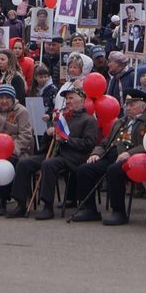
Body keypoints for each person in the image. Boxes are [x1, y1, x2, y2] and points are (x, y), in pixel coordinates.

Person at [70, 87, 146, 225]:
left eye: (132, 104)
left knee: (114, 170)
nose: (128, 108)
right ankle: (89, 209)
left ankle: (118, 212)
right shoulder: (120, 122)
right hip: (111, 155)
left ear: (143, 106)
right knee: (84, 169)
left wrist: (129, 153)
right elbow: (105, 142)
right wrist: (96, 153)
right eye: (127, 104)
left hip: (134, 160)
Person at [22, 87, 99, 219]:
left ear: (81, 101)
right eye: (66, 98)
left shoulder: (88, 120)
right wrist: (48, 134)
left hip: (73, 156)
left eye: (71, 98)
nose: (67, 101)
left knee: (48, 164)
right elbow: (48, 145)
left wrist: (66, 140)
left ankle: (47, 206)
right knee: (25, 163)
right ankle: (20, 202)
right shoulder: (62, 118)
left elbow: (88, 144)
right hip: (54, 153)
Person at [0, 84, 34, 216]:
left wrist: (12, 149)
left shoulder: (21, 111)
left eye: (7, 98)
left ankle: (2, 199)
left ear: (13, 98)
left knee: (8, 164)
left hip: (14, 149)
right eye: (1, 98)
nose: (4, 101)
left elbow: (26, 135)